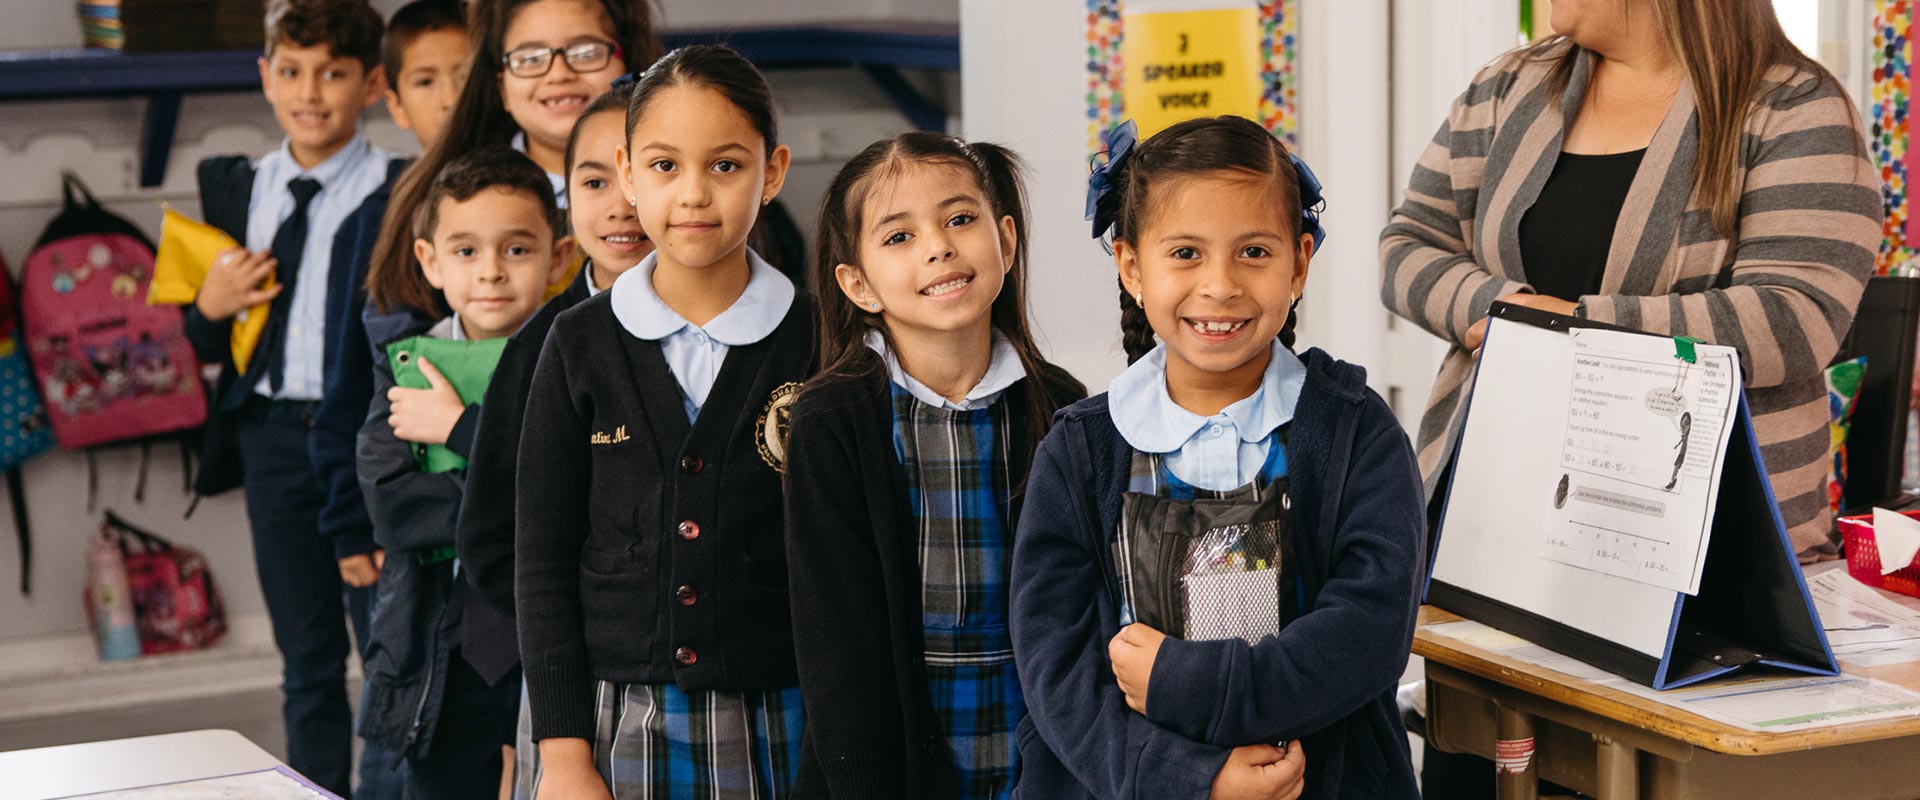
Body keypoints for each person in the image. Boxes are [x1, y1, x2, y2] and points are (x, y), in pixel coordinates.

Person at [1012, 116, 1424, 799]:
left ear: (1299, 262)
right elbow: (1058, 671)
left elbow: (1370, 634)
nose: (1221, 284)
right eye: (1185, 254)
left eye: (1253, 252)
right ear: (1131, 266)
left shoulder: (1354, 435)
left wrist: (1186, 683)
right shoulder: (1082, 451)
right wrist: (1194, 779)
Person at [1379, 0, 1881, 558]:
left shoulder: (1796, 108)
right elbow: (1407, 247)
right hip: (1492, 515)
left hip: (1716, 550)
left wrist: (1571, 327)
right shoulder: (1502, 88)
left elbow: (1795, 319)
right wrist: (1508, 308)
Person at [515, 45, 812, 799]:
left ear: (772, 171)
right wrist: (564, 757)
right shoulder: (577, 343)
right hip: (620, 721)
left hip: (785, 716)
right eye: (663, 165)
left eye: (725, 165)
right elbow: (541, 560)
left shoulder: (823, 341)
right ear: (626, 172)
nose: (693, 195)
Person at [782, 132, 1085, 798]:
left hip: (1040, 750)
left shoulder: (1064, 408)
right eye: (898, 237)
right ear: (857, 284)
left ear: (1004, 240)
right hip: (891, 762)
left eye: (959, 219)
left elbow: (1078, 616)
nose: (938, 245)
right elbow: (838, 652)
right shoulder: (833, 420)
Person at [185, 0, 398, 794]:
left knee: (388, 646)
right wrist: (205, 310)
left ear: (371, 84)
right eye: (293, 70)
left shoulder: (398, 190)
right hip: (272, 440)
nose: (311, 92)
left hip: (364, 442)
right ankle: (314, 789)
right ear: (265, 77)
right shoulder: (238, 189)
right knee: (305, 658)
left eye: (334, 73)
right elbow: (210, 341)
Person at [451, 88, 650, 799]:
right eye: (596, 181)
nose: (622, 204)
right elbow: (493, 538)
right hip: (579, 683)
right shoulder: (543, 347)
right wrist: (568, 636)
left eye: (644, 173)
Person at [357, 147, 573, 800]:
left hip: (552, 640)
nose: (492, 273)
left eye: (517, 249)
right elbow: (396, 509)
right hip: (439, 645)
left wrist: (457, 430)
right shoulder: (405, 365)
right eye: (466, 251)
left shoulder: (577, 362)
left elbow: (578, 502)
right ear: (429, 260)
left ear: (558, 258)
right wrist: (517, 500)